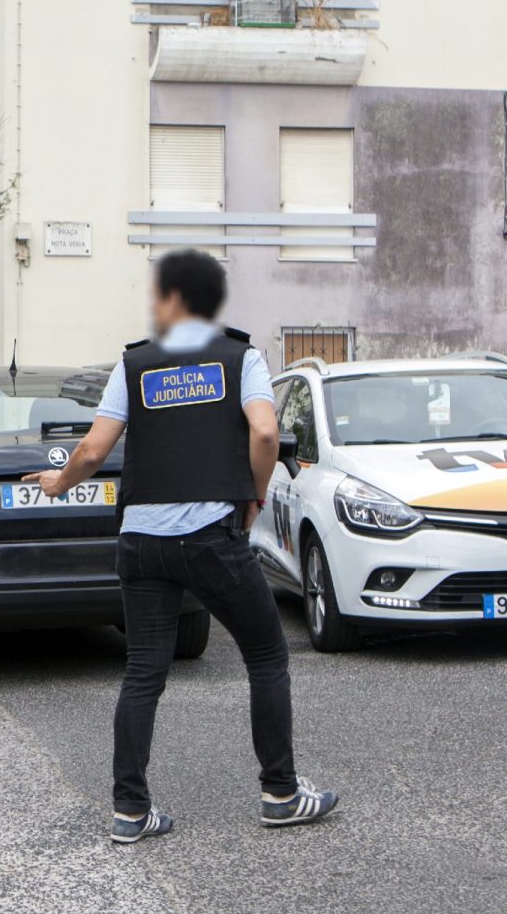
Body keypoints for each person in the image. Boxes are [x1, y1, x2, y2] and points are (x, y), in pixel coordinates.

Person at [25, 249, 339, 843]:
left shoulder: (136, 364)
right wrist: (253, 494)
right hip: (210, 538)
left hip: (141, 541)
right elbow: (267, 431)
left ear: (172, 300)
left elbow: (92, 451)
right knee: (267, 656)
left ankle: (129, 812)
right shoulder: (241, 357)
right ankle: (279, 792)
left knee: (144, 672)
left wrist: (56, 482)